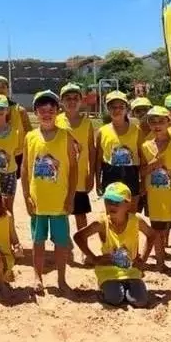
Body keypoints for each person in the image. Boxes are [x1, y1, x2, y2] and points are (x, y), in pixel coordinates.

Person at [21, 90, 77, 293]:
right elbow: (25, 169)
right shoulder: (30, 137)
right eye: (42, 110)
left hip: (59, 202)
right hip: (39, 202)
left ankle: (61, 279)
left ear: (57, 111)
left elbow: (73, 168)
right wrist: (26, 195)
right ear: (35, 112)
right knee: (38, 242)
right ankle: (38, 277)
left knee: (61, 243)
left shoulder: (65, 136)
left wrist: (71, 197)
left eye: (50, 110)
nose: (46, 114)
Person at [74, 182, 152, 307]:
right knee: (115, 299)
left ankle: (126, 286)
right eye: (108, 201)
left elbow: (151, 235)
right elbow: (78, 237)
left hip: (131, 270)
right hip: (108, 271)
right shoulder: (101, 223)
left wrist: (143, 259)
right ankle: (111, 288)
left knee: (140, 301)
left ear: (128, 204)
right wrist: (94, 258)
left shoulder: (136, 220)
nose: (112, 205)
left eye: (117, 202)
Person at [140, 106, 171, 273]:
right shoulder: (146, 146)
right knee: (158, 231)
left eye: (161, 121)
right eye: (153, 121)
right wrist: (153, 165)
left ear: (169, 122)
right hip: (156, 197)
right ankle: (160, 261)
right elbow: (141, 171)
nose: (157, 124)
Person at [56, 83, 95, 237]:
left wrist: (91, 175)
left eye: (75, 98)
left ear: (81, 101)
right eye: (68, 98)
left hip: (79, 178)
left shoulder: (87, 123)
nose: (71, 101)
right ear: (61, 101)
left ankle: (83, 244)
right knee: (61, 214)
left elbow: (91, 150)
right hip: (60, 177)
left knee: (80, 214)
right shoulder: (57, 121)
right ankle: (63, 244)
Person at [95, 91, 143, 212]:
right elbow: (98, 160)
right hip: (110, 175)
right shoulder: (102, 131)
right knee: (112, 215)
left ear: (126, 109)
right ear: (107, 109)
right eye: (113, 107)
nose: (117, 110)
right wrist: (98, 182)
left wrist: (143, 182)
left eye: (121, 107)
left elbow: (143, 158)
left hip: (131, 175)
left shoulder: (136, 130)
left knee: (131, 216)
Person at [0, 75, 32, 179]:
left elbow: (30, 133)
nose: (0, 89)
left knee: (13, 185)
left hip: (18, 154)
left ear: (8, 90)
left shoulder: (20, 110)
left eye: (3, 86)